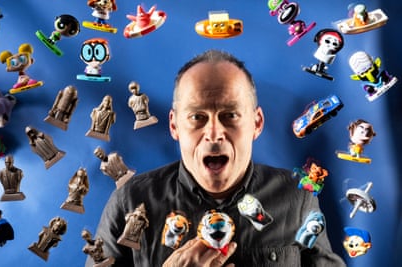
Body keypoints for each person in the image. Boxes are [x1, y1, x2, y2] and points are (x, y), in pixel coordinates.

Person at [86, 50, 346, 266]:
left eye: (230, 115)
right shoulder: (130, 201)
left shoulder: (296, 198)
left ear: (256, 123)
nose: (213, 133)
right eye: (197, 117)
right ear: (175, 126)